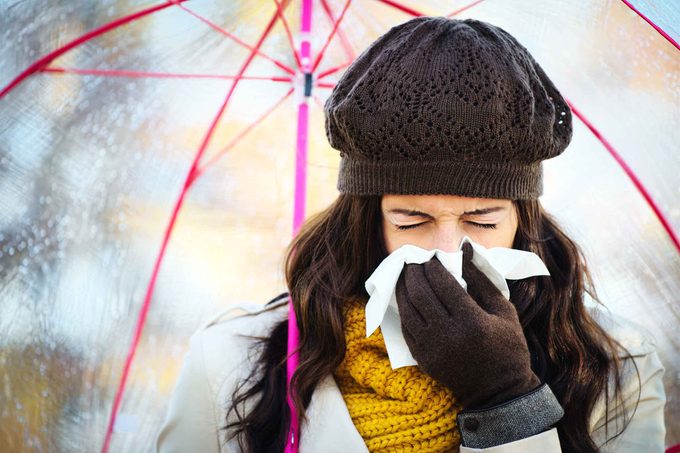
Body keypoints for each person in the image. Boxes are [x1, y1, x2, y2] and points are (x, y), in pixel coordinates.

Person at [155, 16, 666, 453]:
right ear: (366, 222)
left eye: (482, 221)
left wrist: (509, 401)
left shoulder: (615, 367)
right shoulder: (232, 360)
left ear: (523, 221)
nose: (447, 251)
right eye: (411, 221)